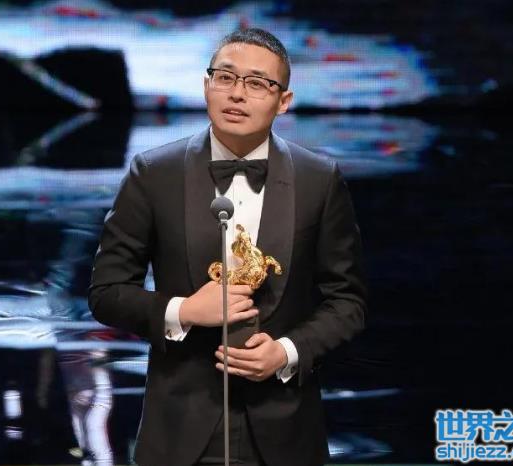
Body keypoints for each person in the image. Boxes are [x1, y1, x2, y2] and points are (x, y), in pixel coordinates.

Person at [89, 28, 367, 466]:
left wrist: (286, 352)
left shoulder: (319, 179)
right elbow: (106, 293)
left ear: (284, 101)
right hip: (179, 431)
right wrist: (184, 310)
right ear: (206, 85)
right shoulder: (153, 173)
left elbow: (347, 302)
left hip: (286, 433)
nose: (237, 93)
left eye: (257, 83)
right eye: (225, 77)